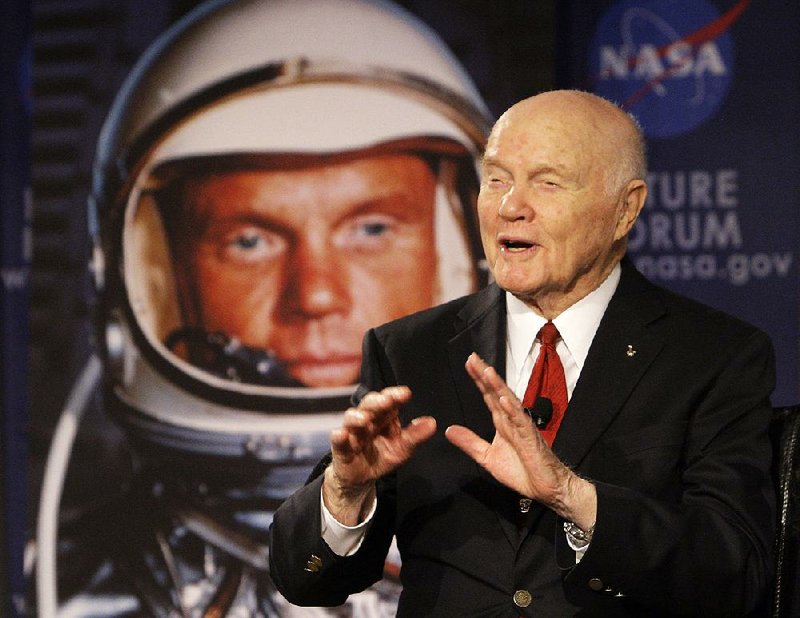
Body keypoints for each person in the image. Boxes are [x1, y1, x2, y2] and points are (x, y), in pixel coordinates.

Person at [31, 0, 492, 615]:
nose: (317, 295)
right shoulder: (61, 591)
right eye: (250, 241)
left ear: (461, 257)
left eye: (373, 229)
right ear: (156, 279)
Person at [269, 89, 777, 616]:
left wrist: (573, 498)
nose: (511, 207)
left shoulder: (713, 356)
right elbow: (307, 583)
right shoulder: (408, 351)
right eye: (497, 179)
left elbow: (736, 572)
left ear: (625, 210)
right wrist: (346, 492)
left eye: (548, 182)